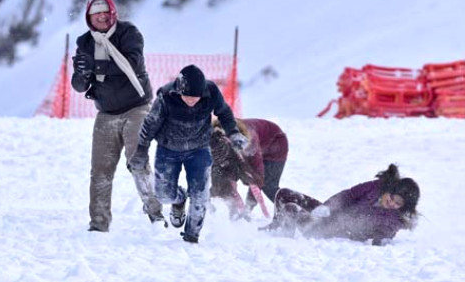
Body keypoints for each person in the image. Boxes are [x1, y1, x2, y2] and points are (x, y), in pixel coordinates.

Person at [71, 0, 165, 232]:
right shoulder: (85, 43)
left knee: (138, 162)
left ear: (112, 13)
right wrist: (82, 73)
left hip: (137, 106)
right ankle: (99, 224)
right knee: (100, 171)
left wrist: (96, 65)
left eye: (105, 12)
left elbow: (132, 64)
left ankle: (155, 214)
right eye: (95, 13)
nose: (101, 17)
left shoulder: (128, 33)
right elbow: (79, 86)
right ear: (89, 18)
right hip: (106, 112)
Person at [128, 64, 249, 243]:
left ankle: (192, 235)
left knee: (200, 194)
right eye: (187, 96)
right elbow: (150, 124)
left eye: (195, 97)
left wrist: (233, 133)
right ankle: (179, 199)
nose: (191, 101)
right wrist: (141, 152)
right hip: (168, 150)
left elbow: (224, 112)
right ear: (179, 91)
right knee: (163, 195)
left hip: (198, 149)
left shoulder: (211, 92)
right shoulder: (166, 96)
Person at [261, 164, 420, 246]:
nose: (392, 203)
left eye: (398, 204)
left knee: (291, 208)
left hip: (325, 230)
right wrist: (328, 206)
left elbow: (384, 235)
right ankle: (276, 226)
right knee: (284, 193)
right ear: (389, 189)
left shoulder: (392, 220)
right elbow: (349, 194)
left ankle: (283, 242)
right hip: (330, 214)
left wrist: (381, 240)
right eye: (393, 198)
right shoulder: (376, 187)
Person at [210, 118, 288, 220]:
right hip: (248, 146)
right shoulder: (214, 139)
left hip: (276, 142)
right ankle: (234, 215)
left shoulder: (249, 144)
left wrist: (247, 208)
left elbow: (258, 178)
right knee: (226, 177)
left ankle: (290, 213)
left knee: (268, 185)